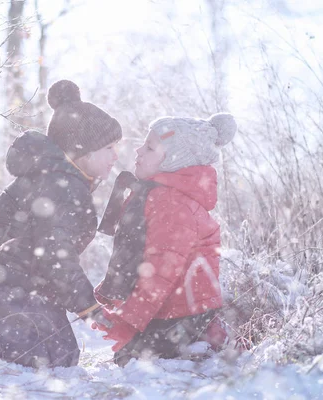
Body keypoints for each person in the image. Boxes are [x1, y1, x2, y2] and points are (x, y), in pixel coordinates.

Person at [0, 80, 121, 369]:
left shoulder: (55, 179)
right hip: (18, 283)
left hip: (24, 282)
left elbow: (4, 216)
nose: (115, 156)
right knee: (53, 354)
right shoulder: (64, 186)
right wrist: (87, 305)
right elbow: (56, 252)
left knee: (62, 351)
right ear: (83, 152)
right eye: (109, 148)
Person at [93, 113, 237, 367]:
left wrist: (130, 321)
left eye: (149, 147)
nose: (138, 150)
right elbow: (138, 254)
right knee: (128, 355)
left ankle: (203, 344)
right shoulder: (158, 195)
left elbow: (161, 269)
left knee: (131, 359)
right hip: (173, 309)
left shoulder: (172, 204)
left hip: (185, 314)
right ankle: (196, 340)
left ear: (172, 161)